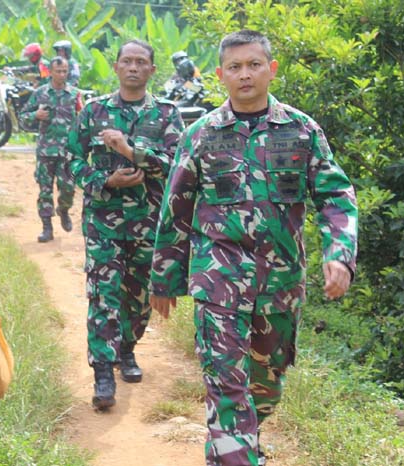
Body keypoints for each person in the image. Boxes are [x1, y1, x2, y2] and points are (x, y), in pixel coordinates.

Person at [149, 29, 357, 466]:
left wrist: (340, 254)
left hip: (280, 283)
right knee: (227, 387)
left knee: (267, 386)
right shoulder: (201, 134)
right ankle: (236, 454)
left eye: (254, 65)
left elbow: (336, 195)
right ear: (221, 74)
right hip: (218, 281)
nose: (245, 75)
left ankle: (233, 446)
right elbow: (177, 208)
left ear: (271, 69)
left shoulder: (301, 130)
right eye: (235, 67)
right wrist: (164, 277)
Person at [67, 39, 184, 410]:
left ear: (151, 70)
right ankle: (102, 371)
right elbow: (69, 157)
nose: (133, 67)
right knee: (104, 294)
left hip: (148, 222)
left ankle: (127, 351)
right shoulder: (94, 111)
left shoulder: (166, 114)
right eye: (127, 61)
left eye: (141, 62)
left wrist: (131, 152)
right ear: (116, 67)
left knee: (138, 293)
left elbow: (175, 165)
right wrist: (104, 180)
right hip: (103, 222)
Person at [20, 56, 83, 242]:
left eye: (65, 71)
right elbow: (23, 117)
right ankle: (47, 228)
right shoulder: (40, 93)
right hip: (46, 151)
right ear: (50, 71)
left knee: (68, 188)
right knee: (45, 190)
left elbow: (83, 119)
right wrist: (35, 115)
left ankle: (63, 210)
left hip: (67, 151)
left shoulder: (74, 94)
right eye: (58, 71)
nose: (62, 74)